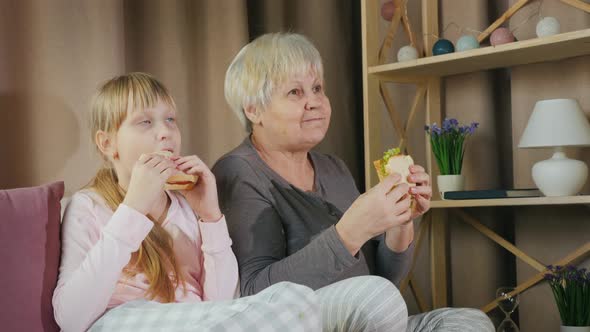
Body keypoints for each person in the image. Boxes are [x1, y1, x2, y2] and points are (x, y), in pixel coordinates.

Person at [213, 32, 495, 332]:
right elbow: (256, 294)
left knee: (470, 323)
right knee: (378, 301)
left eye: (318, 88)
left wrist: (400, 223)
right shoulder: (238, 172)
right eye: (295, 92)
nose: (315, 102)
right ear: (253, 109)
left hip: (371, 317)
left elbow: (383, 282)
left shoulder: (333, 168)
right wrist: (349, 232)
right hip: (302, 324)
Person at [53, 72, 321, 332]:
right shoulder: (87, 206)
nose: (165, 132)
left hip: (194, 319)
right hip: (121, 319)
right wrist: (133, 209)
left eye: (170, 119)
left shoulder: (184, 208)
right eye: (145, 122)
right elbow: (71, 318)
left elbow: (224, 301)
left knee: (296, 300)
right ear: (107, 143)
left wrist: (210, 216)